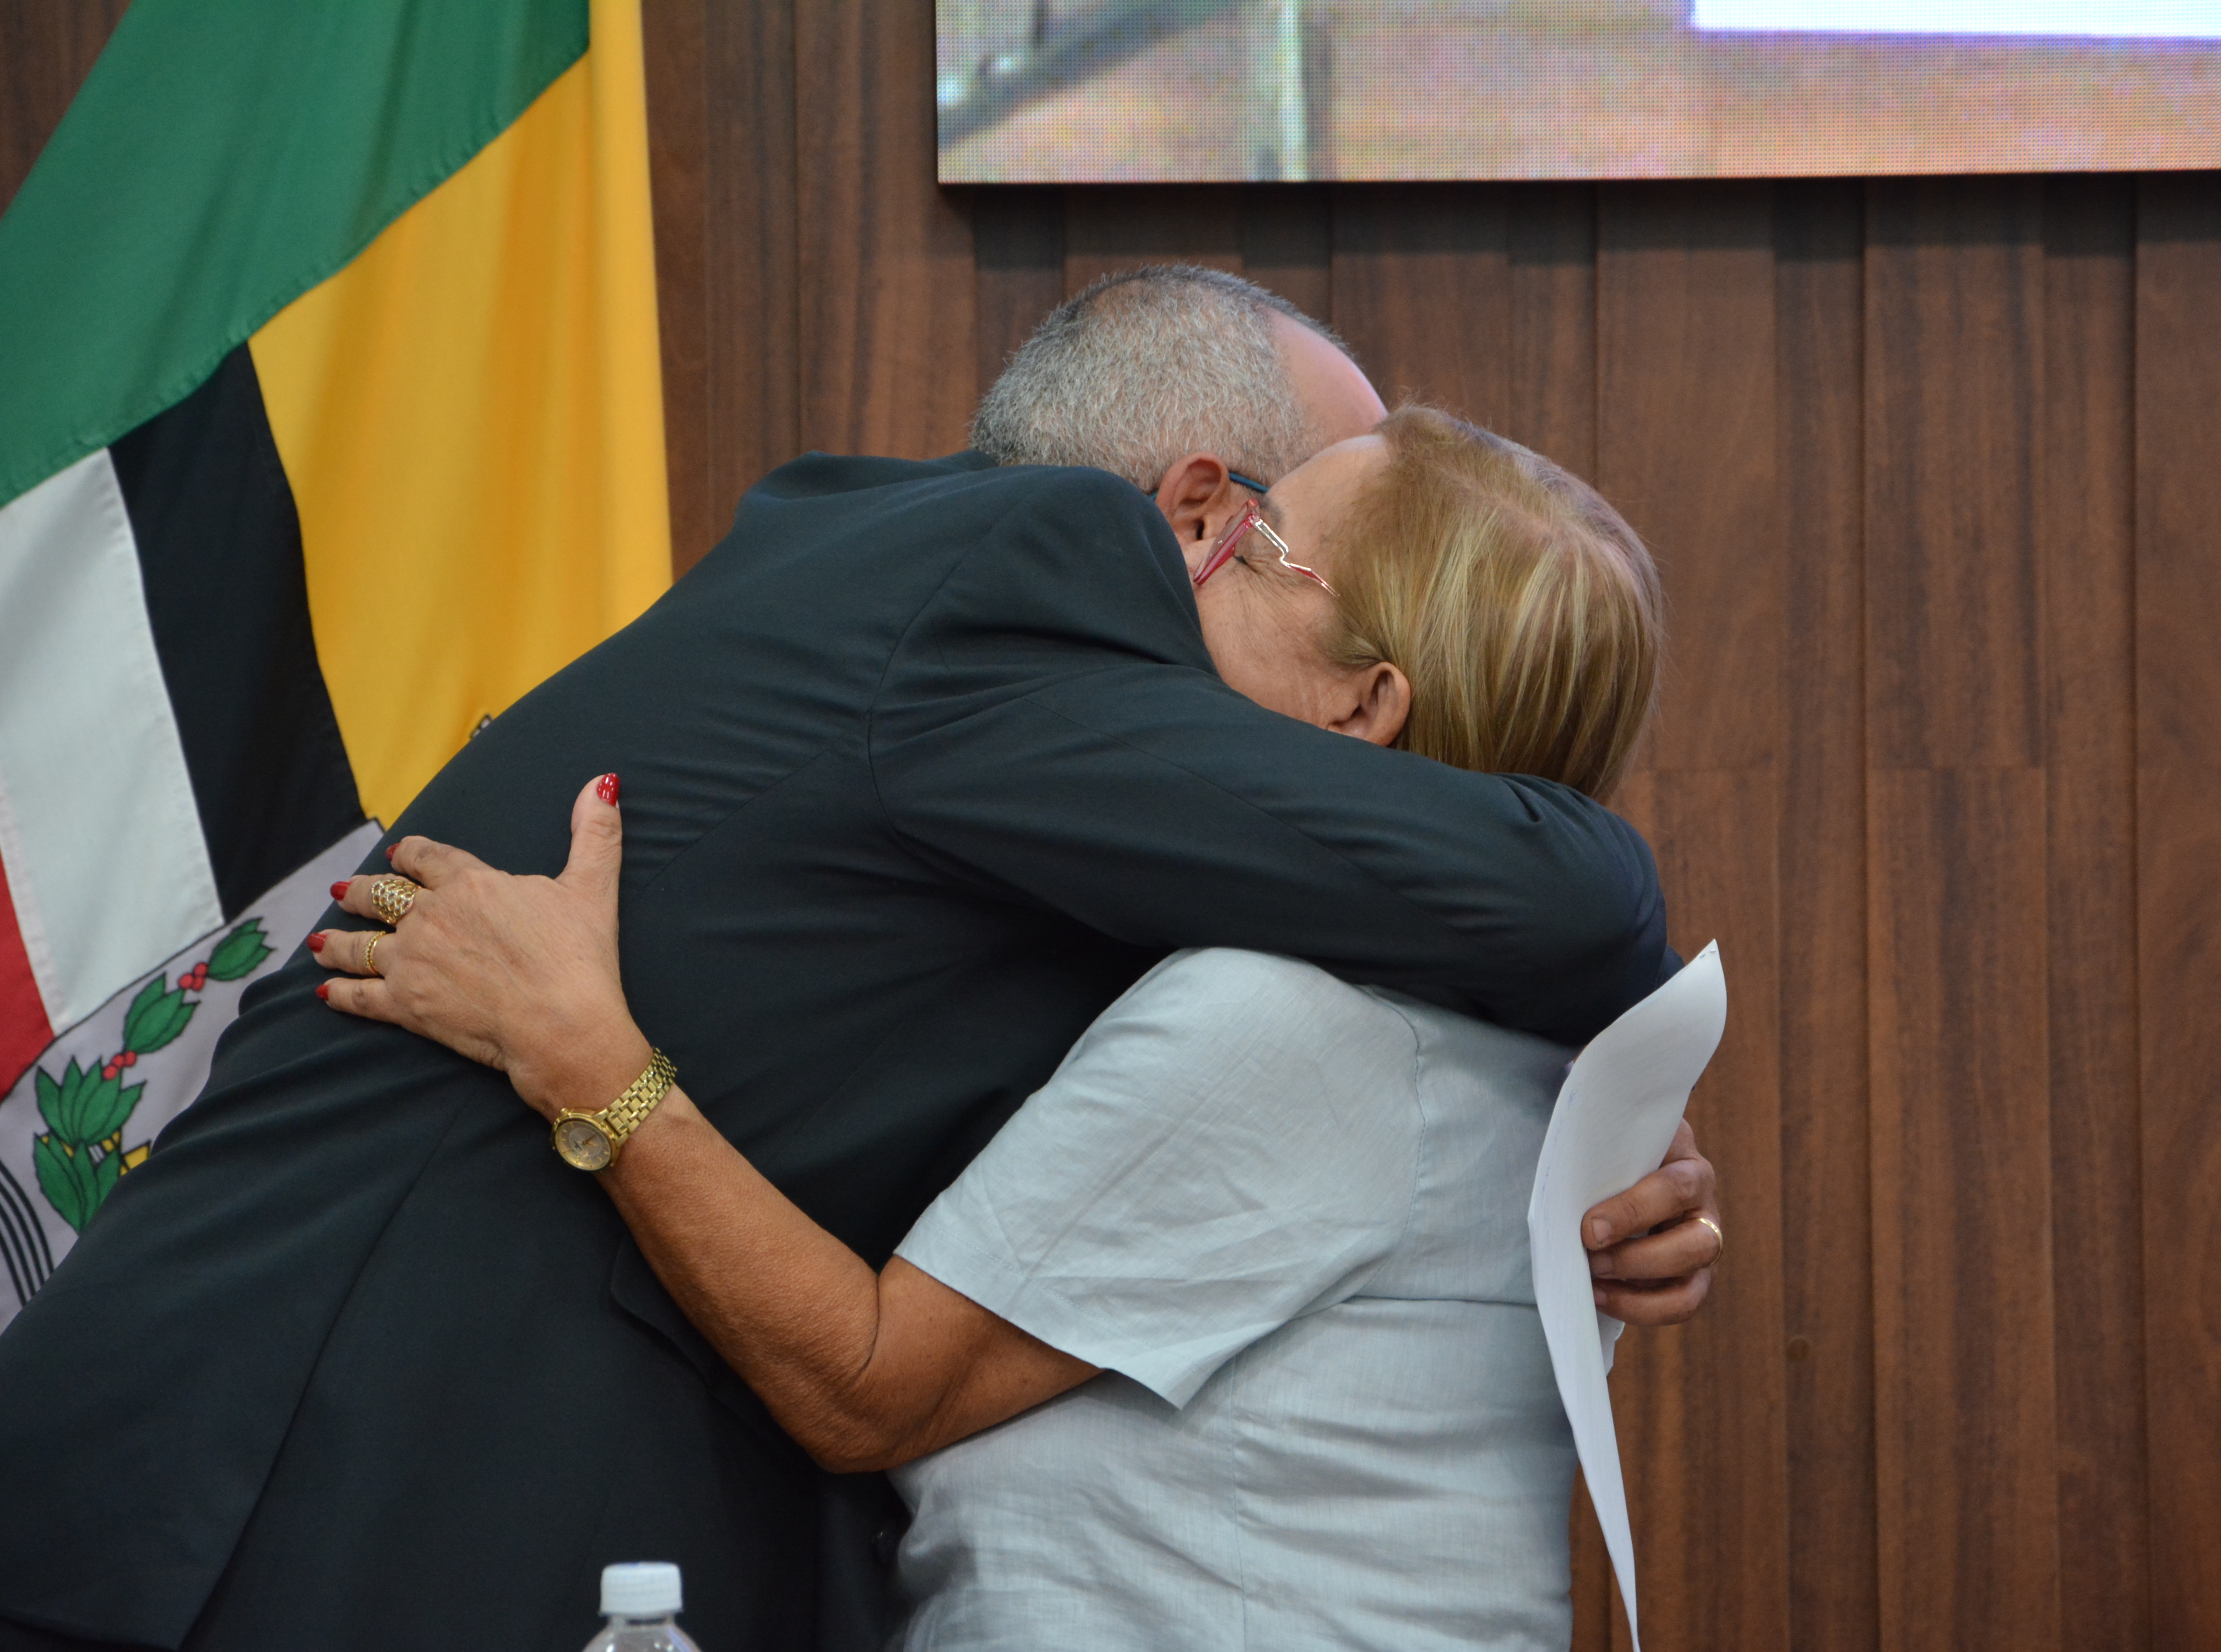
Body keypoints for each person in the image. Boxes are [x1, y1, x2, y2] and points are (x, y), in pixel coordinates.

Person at [0, 269, 1712, 1652]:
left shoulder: (1051, 774)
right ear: (1189, 512)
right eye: (1266, 536)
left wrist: (1594, 1146)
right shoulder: (1027, 577)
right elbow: (1571, 897)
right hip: (295, 1481)